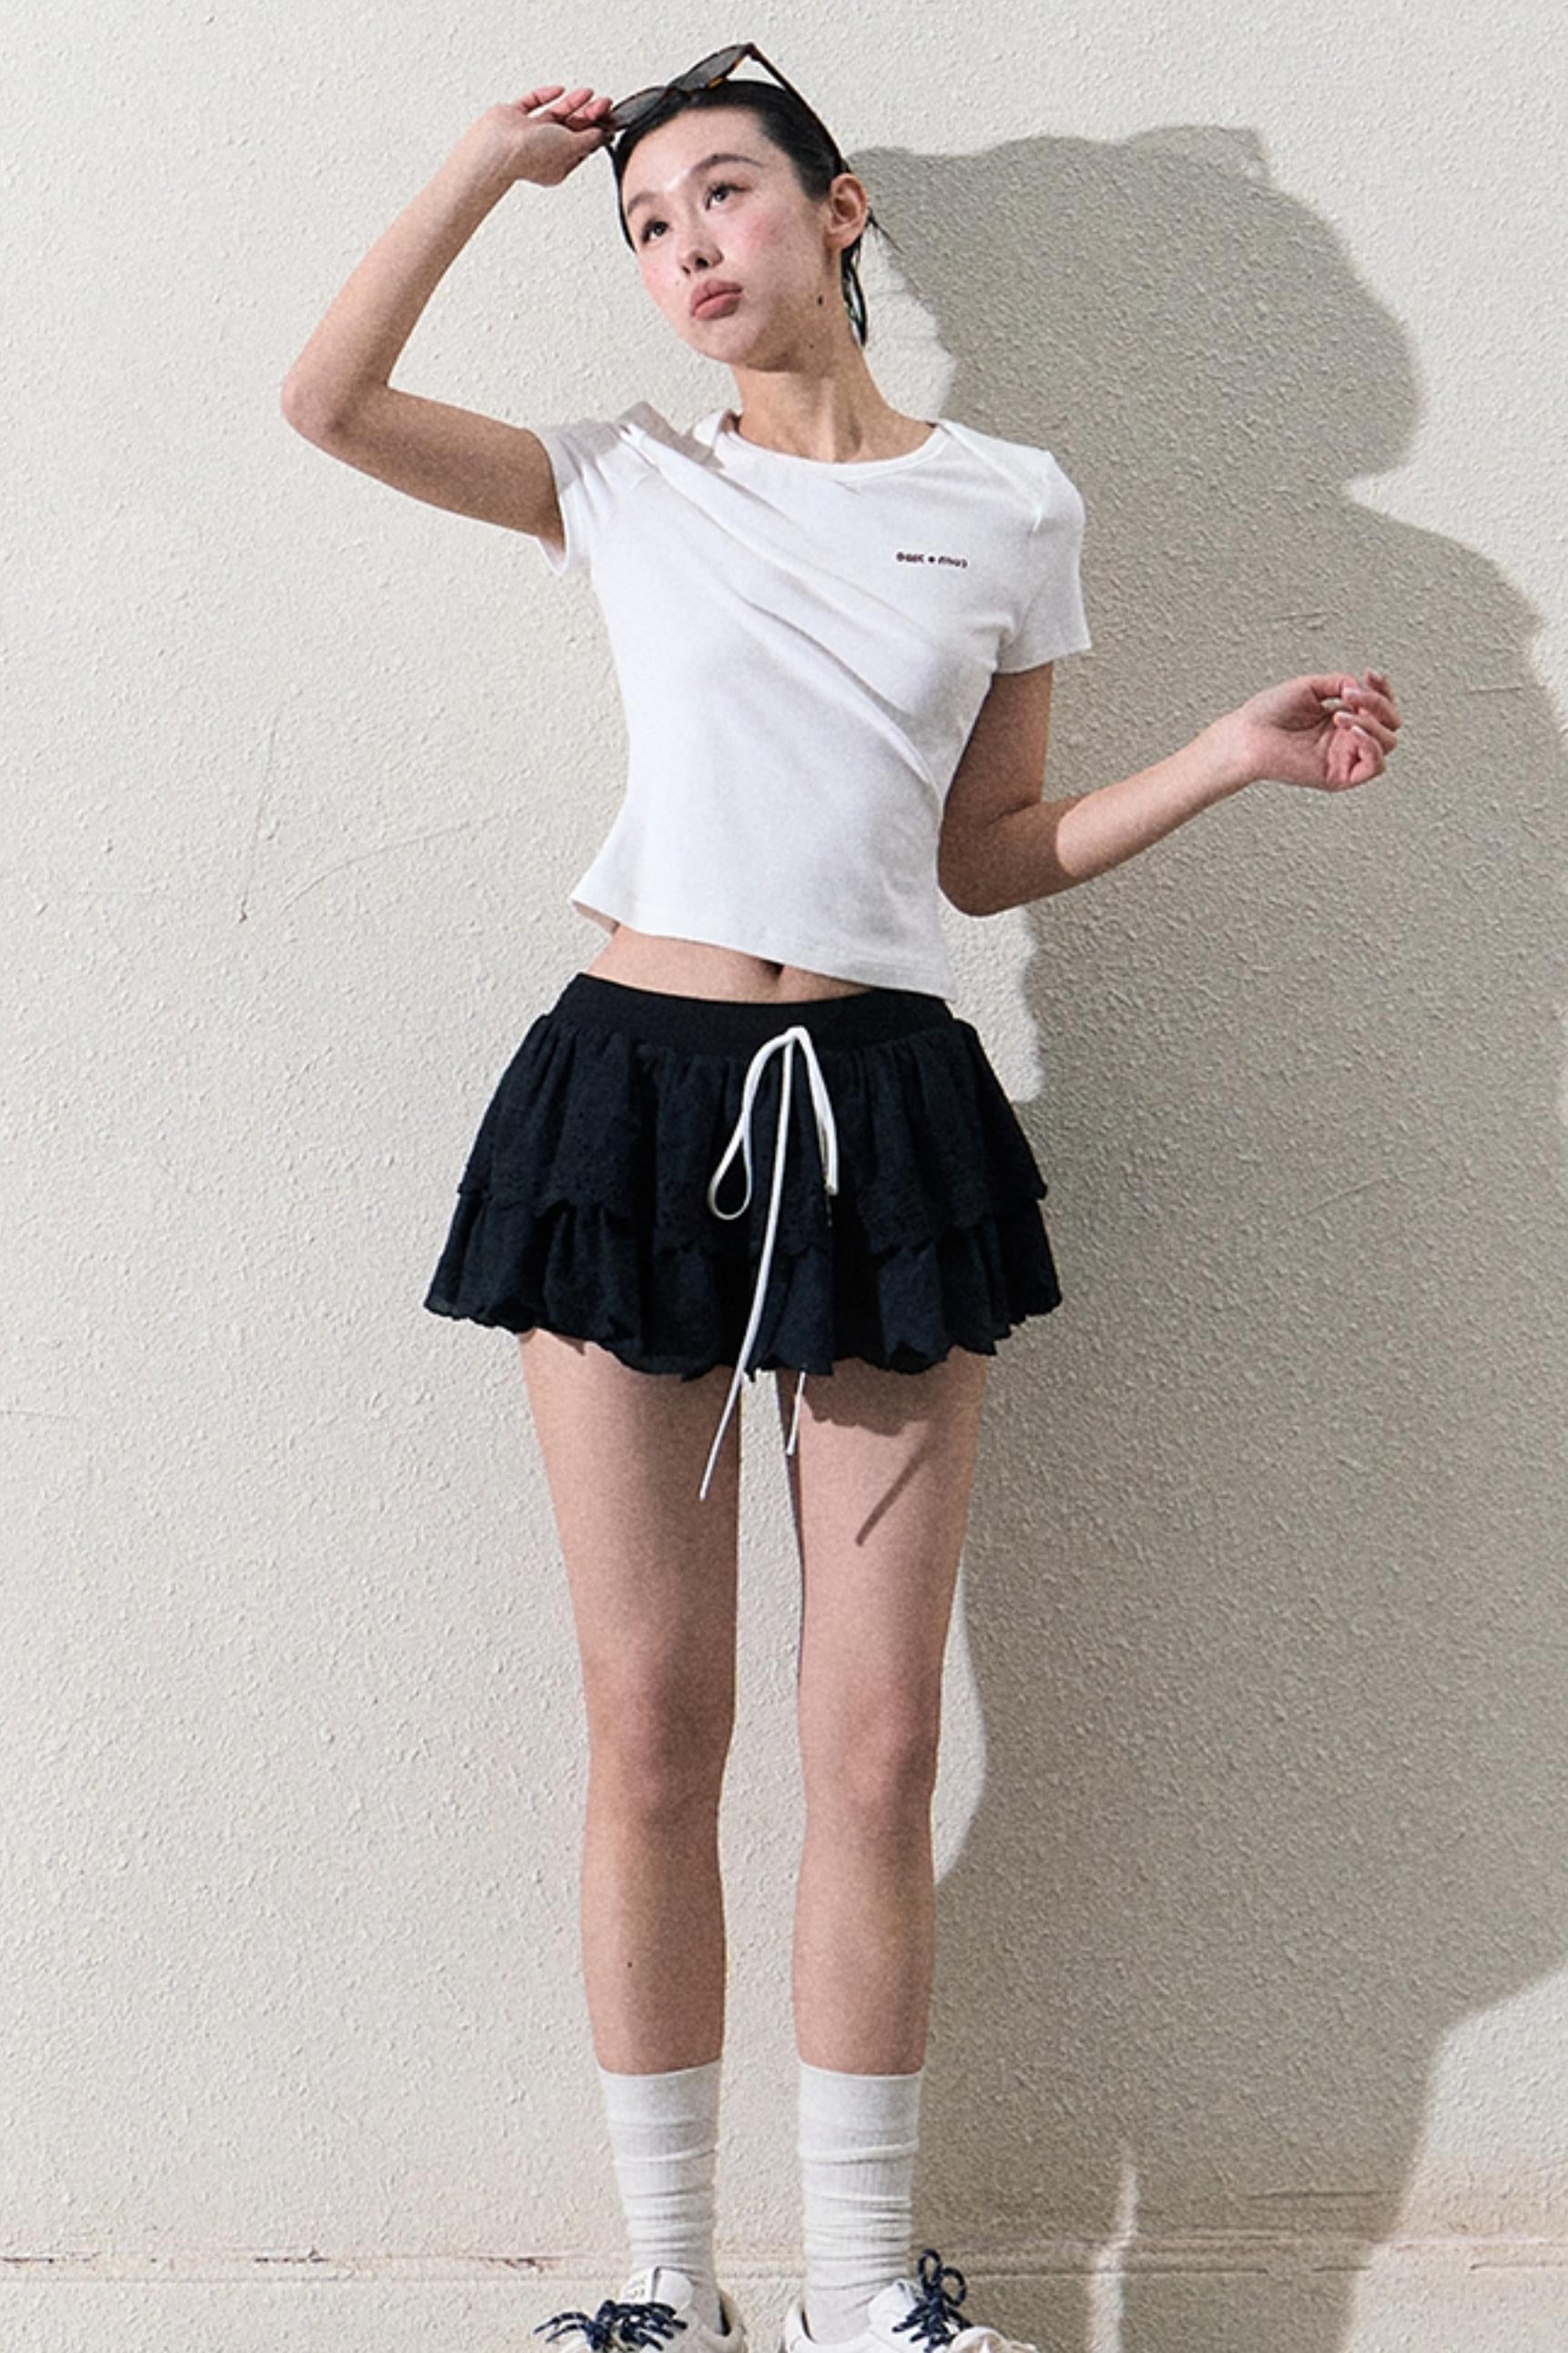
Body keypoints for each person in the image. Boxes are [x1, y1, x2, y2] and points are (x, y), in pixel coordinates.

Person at [280, 46, 1402, 2353]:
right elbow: (328, 403)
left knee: (878, 1739)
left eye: (725, 194)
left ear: (841, 209)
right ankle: (667, 2282)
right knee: (651, 1720)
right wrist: (486, 170)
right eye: (649, 225)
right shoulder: (630, 479)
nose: (688, 246)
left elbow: (985, 852)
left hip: (883, 1112)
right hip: (630, 1100)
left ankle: (871, 2282)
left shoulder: (1010, 503)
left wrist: (1222, 755)